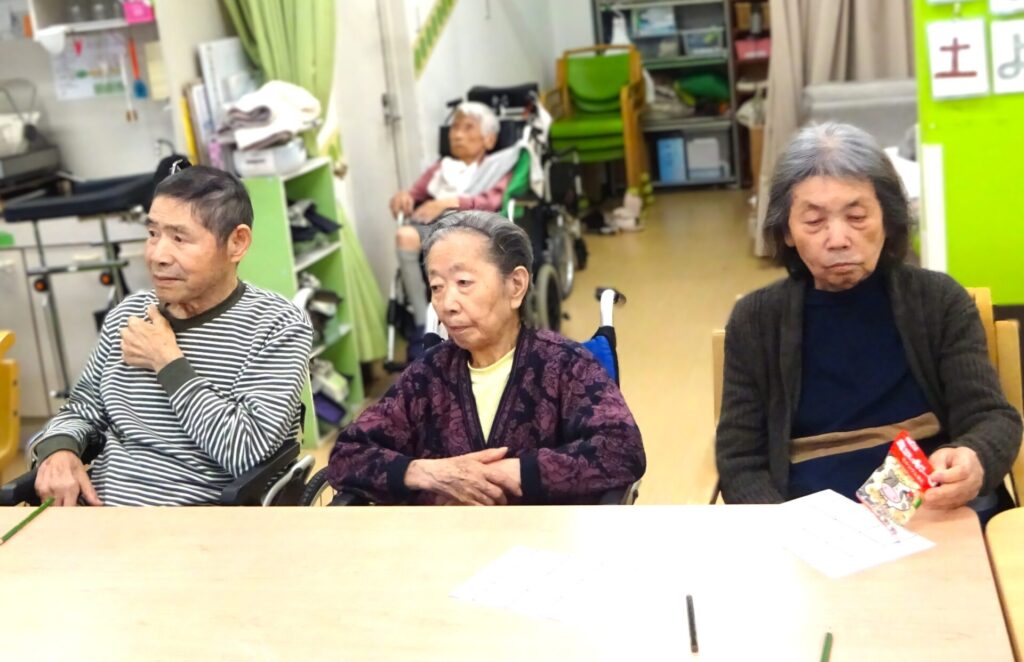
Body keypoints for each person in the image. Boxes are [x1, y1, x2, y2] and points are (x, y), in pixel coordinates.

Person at [715, 122, 1021, 523]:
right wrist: (784, 527)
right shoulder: (756, 321)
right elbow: (740, 460)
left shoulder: (938, 301)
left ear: (888, 219)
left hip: (933, 510)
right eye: (814, 222)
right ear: (786, 231)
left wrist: (974, 459)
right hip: (807, 522)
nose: (838, 238)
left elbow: (991, 417)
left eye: (857, 216)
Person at [29, 165, 313, 506]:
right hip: (100, 512)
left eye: (179, 238)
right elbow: (82, 409)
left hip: (199, 522)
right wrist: (59, 449)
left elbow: (246, 452)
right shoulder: (129, 314)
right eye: (153, 234)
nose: (157, 256)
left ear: (237, 243)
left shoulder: (278, 324)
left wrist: (167, 362)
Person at [327, 211, 645, 505]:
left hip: (542, 541)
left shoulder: (565, 365)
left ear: (516, 285)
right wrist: (429, 473)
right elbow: (346, 455)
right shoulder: (427, 374)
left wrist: (512, 473)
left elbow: (623, 448)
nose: (447, 304)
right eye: (436, 287)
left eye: (464, 283)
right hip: (437, 543)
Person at [388, 101, 516, 358]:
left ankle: (473, 320)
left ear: (489, 139)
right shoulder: (440, 168)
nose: (457, 134)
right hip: (434, 231)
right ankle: (423, 326)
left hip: (476, 230)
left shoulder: (497, 167)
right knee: (405, 235)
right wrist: (403, 198)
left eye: (468, 128)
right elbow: (414, 195)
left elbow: (494, 201)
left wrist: (450, 202)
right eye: (454, 128)